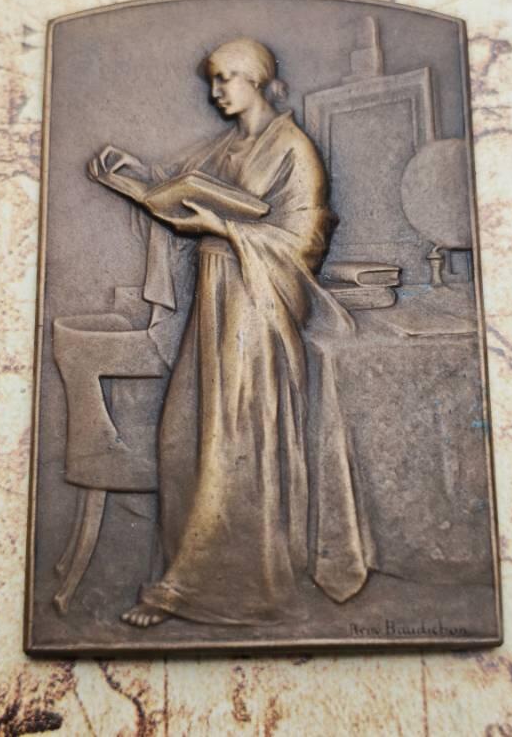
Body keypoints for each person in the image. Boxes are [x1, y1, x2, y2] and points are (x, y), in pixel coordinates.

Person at [88, 37, 372, 627]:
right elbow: (177, 185)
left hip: (259, 304)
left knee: (234, 432)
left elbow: (303, 243)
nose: (216, 91)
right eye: (213, 79)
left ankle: (229, 587)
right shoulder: (225, 146)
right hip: (215, 299)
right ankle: (188, 567)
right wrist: (130, 177)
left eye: (226, 78)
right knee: (186, 432)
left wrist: (222, 227)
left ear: (257, 79)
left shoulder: (293, 148)